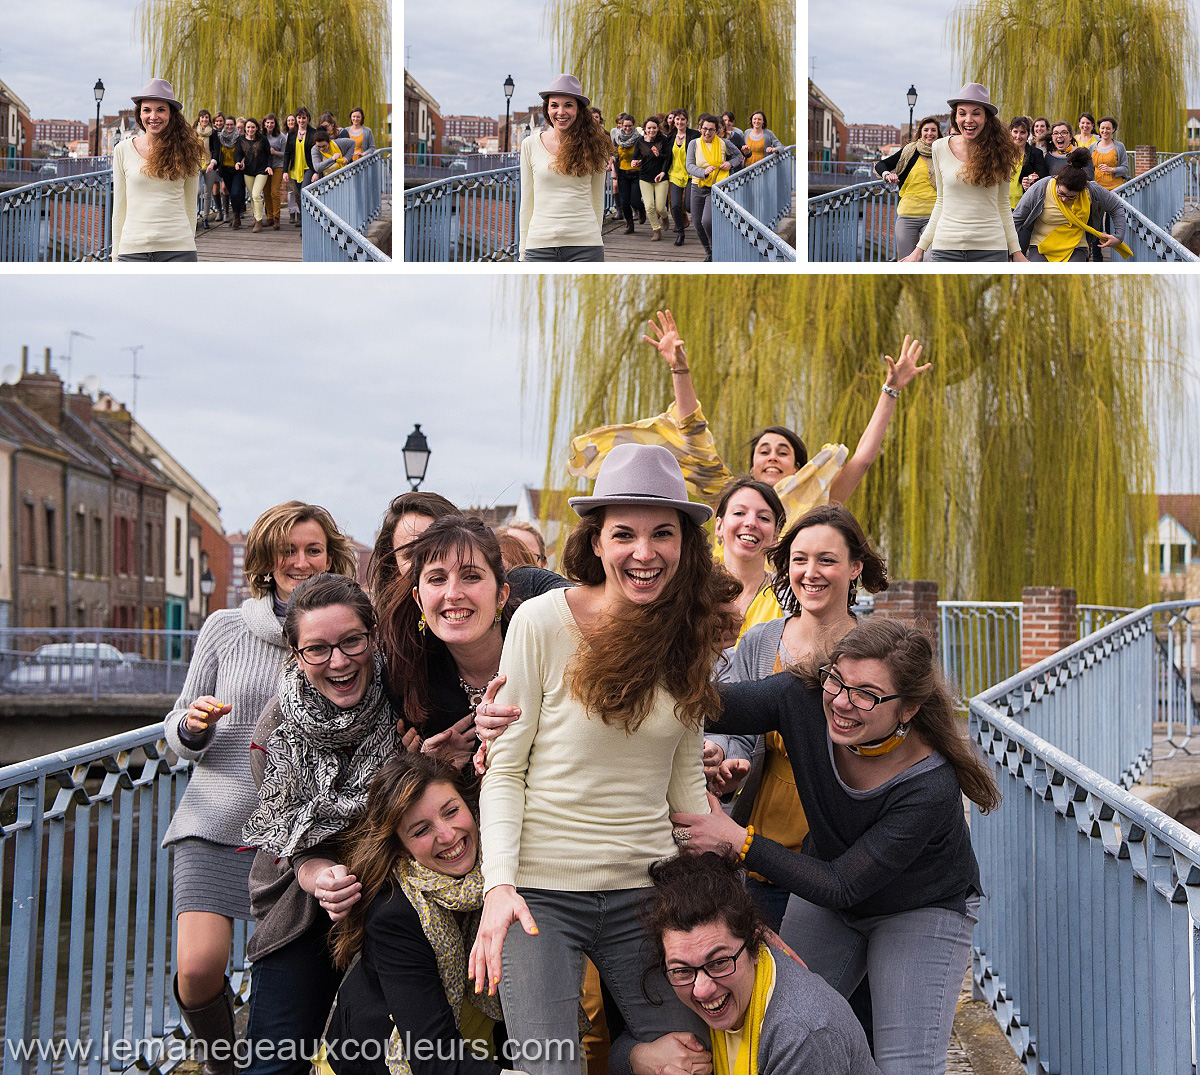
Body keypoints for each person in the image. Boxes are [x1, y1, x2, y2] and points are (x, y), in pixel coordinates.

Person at [469, 443, 736, 1075]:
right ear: (596, 543)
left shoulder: (689, 639)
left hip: (647, 891)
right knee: (550, 1066)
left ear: (685, 546)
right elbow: (505, 769)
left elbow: (685, 787)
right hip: (540, 894)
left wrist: (723, 881)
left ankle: (634, 1056)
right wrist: (499, 886)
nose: (643, 554)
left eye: (661, 535)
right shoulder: (539, 622)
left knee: (689, 1062)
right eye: (625, 535)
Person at [671, 618, 1000, 1075]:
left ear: (908, 708)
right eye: (837, 681)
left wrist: (737, 840)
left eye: (866, 693)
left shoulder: (931, 784)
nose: (842, 703)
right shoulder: (801, 698)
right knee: (770, 1018)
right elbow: (705, 707)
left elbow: (844, 884)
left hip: (919, 908)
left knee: (905, 1064)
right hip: (827, 885)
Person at [162, 502, 357, 1075]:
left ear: (330, 556)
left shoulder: (344, 629)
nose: (300, 561)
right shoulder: (225, 627)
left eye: (312, 549)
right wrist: (194, 726)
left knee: (289, 978)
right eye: (287, 551)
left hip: (301, 834)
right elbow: (175, 727)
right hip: (218, 817)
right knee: (197, 971)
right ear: (267, 561)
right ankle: (224, 1065)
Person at [241, 574, 408, 1075]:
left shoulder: (407, 704)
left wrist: (424, 771)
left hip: (392, 896)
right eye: (317, 649)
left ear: (373, 637)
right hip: (301, 903)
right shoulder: (276, 727)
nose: (338, 662)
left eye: (351, 641)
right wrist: (317, 876)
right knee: (273, 1062)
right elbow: (286, 842)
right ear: (295, 653)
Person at [568, 309, 930, 530]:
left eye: (783, 452)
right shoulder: (727, 494)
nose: (772, 455)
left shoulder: (816, 496)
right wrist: (680, 368)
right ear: (752, 465)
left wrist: (890, 390)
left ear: (798, 465)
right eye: (765, 451)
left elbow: (863, 460)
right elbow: (694, 430)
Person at [706, 506, 889, 931]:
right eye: (800, 559)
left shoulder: (879, 649)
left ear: (855, 567)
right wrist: (724, 758)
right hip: (764, 834)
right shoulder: (760, 640)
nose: (811, 572)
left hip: (841, 836)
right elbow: (738, 730)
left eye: (827, 559)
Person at [325, 754, 530, 1075]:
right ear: (402, 846)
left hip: (475, 1055)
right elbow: (432, 1057)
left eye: (452, 811)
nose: (447, 835)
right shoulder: (394, 912)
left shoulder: (503, 872)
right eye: (421, 830)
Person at [642, 852, 880, 1075]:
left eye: (719, 963)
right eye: (683, 970)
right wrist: (642, 1057)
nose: (702, 989)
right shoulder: (681, 978)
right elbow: (621, 1045)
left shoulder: (801, 1035)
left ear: (755, 945)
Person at [376, 515, 518, 769]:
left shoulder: (541, 653)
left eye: (471, 576)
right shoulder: (407, 678)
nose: (453, 594)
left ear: (501, 595)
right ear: (419, 600)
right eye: (437, 579)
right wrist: (431, 767)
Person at [901, 83, 1025, 262]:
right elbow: (941, 201)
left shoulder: (1001, 152)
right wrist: (919, 249)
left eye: (976, 113)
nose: (968, 119)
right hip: (945, 248)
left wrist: (1017, 252)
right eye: (962, 113)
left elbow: (1003, 204)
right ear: (955, 117)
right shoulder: (939, 147)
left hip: (990, 248)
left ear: (987, 118)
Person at [518, 75, 612, 262]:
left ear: (578, 110)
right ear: (547, 109)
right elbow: (527, 202)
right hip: (539, 246)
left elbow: (597, 199)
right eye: (554, 105)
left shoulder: (595, 146)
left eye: (568, 105)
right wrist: (523, 251)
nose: (561, 112)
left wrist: (595, 237)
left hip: (585, 246)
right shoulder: (529, 145)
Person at [111, 78, 204, 261]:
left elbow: (191, 206)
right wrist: (115, 256)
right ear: (140, 114)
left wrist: (188, 243)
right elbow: (119, 208)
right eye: (147, 110)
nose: (153, 116)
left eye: (160, 109)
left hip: (178, 249)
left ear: (172, 114)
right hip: (132, 251)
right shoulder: (122, 150)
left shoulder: (188, 151)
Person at [1013, 147, 1129, 262]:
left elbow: (1116, 206)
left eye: (1071, 197)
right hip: (1041, 245)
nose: (1064, 199)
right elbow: (1017, 217)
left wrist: (1118, 236)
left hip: (1076, 247)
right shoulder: (1041, 187)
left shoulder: (1091, 190)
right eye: (1061, 193)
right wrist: (1013, 250)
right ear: (1057, 182)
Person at [711, 477, 787, 639]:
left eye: (764, 518)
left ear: (776, 534)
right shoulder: (692, 590)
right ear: (719, 526)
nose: (751, 523)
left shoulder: (789, 596)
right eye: (739, 513)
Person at [874, 116, 941, 260]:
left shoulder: (943, 152)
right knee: (906, 261)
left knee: (931, 259)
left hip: (934, 216)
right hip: (908, 214)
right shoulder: (910, 151)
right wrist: (887, 175)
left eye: (933, 130)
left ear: (938, 133)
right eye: (926, 130)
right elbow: (881, 165)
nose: (930, 133)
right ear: (920, 133)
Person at [685, 113, 743, 261]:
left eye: (711, 129)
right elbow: (689, 166)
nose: (707, 132)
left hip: (716, 188)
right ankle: (709, 253)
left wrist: (730, 164)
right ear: (700, 128)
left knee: (707, 221)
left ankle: (715, 247)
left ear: (716, 130)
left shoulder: (724, 143)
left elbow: (738, 156)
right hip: (698, 186)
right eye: (705, 128)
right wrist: (703, 172)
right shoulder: (694, 143)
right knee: (697, 223)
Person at [633, 116, 671, 241]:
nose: (651, 130)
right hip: (644, 177)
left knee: (660, 207)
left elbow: (668, 158)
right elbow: (635, 157)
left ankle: (665, 217)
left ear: (658, 128)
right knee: (649, 206)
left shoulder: (663, 140)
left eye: (654, 128)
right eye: (649, 128)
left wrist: (659, 155)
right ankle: (656, 230)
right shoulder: (640, 141)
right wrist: (635, 162)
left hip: (661, 177)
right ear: (645, 128)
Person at [667, 110, 700, 247]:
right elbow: (666, 158)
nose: (680, 122)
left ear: (687, 121)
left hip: (691, 175)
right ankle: (680, 233)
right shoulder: (670, 137)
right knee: (675, 205)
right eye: (677, 120)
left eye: (682, 119)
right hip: (674, 175)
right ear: (673, 122)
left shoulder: (694, 135)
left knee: (688, 206)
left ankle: (699, 224)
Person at [235, 117, 274, 233]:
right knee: (252, 195)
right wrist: (237, 162)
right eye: (248, 127)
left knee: (257, 194)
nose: (250, 129)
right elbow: (238, 154)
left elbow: (269, 154)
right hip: (248, 171)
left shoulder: (263, 139)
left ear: (257, 128)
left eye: (253, 127)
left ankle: (259, 221)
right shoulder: (240, 139)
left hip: (261, 171)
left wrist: (269, 166)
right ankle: (255, 216)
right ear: (245, 128)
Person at [208, 114, 246, 230]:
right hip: (225, 170)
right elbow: (216, 152)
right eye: (227, 124)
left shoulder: (239, 138)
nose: (229, 127)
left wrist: (242, 161)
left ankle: (236, 216)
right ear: (224, 125)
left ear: (235, 125)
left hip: (237, 169)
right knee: (230, 193)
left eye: (231, 125)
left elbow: (245, 152)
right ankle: (236, 214)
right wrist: (213, 163)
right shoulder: (220, 138)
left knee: (235, 193)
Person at [612, 113, 647, 234]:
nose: (627, 128)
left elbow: (646, 155)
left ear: (634, 126)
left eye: (630, 126)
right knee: (624, 202)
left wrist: (640, 161)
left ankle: (642, 210)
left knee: (635, 200)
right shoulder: (617, 139)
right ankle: (629, 224)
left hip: (636, 174)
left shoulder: (640, 139)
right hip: (622, 173)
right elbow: (614, 155)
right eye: (625, 126)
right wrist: (612, 169)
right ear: (621, 126)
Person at [284, 107, 317, 228]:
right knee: (298, 195)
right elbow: (287, 153)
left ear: (308, 119)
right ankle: (303, 219)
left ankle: (307, 223)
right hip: (295, 169)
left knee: (304, 192)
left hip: (309, 167)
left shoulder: (313, 133)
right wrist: (284, 171)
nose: (301, 120)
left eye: (304, 118)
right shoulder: (292, 133)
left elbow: (317, 153)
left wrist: (316, 171)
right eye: (299, 118)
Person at [1007, 116, 1045, 209]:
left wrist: (1031, 180)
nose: (1018, 136)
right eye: (1015, 131)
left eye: (1022, 132)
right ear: (1010, 132)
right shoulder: (1002, 152)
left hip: (1024, 204)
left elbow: (1042, 178)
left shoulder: (1036, 153)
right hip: (1002, 204)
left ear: (1028, 134)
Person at [195, 109, 220, 225]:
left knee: (207, 193)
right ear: (199, 119)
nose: (204, 119)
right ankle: (193, 216)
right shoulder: (194, 132)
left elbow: (216, 149)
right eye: (202, 117)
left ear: (209, 119)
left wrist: (212, 163)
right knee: (197, 191)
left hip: (210, 165)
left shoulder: (213, 132)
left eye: (206, 117)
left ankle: (205, 218)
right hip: (196, 165)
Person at [263, 114, 287, 230]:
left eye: (272, 123)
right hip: (264, 167)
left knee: (274, 192)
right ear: (264, 123)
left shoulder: (281, 137)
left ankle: (277, 218)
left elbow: (285, 154)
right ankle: (269, 217)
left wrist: (275, 152)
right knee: (266, 193)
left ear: (275, 124)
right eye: (267, 123)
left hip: (277, 166)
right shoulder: (262, 135)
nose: (269, 125)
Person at [283, 113, 300, 223]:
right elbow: (286, 153)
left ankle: (299, 213)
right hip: (289, 165)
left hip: (299, 164)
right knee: (290, 191)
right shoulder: (285, 134)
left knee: (298, 191)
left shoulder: (300, 133)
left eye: (292, 120)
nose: (291, 122)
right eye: (288, 120)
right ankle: (291, 213)